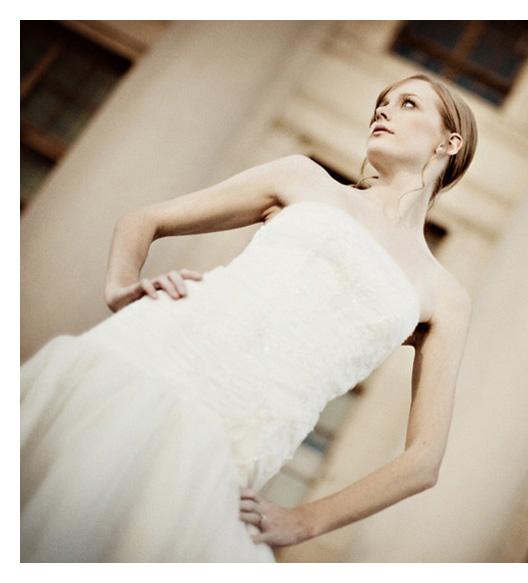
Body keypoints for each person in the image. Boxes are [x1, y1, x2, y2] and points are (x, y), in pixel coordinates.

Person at [20, 74, 478, 562]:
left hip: (236, 442)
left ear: (451, 142)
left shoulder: (444, 296)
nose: (383, 111)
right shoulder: (302, 177)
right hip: (151, 358)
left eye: (407, 104)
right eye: (381, 103)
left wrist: (305, 521)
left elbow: (423, 461)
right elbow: (143, 220)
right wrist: (121, 288)